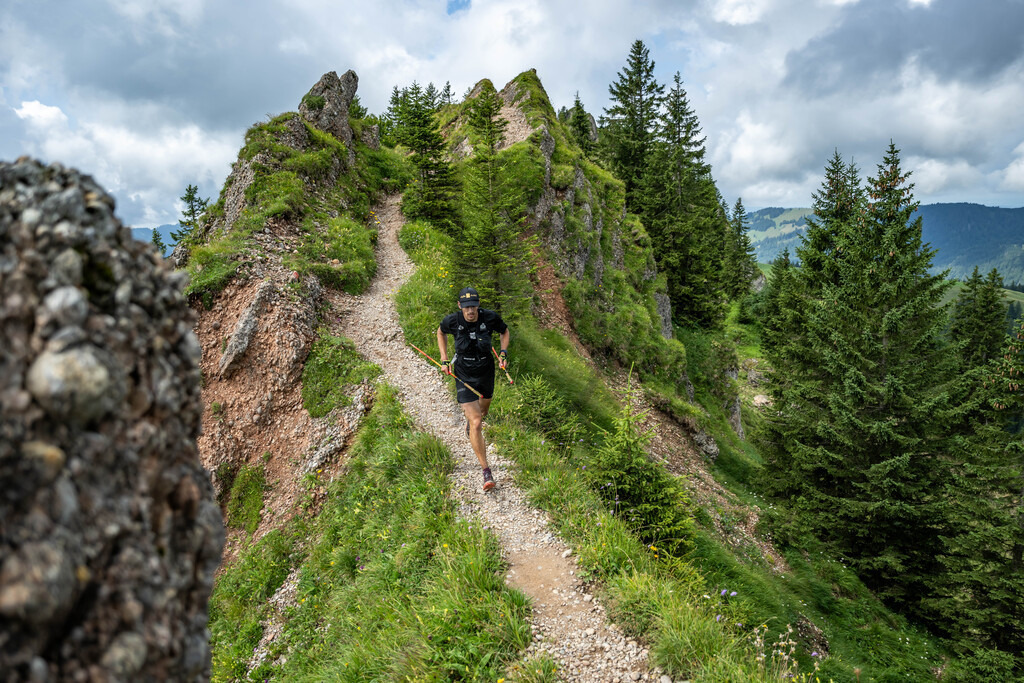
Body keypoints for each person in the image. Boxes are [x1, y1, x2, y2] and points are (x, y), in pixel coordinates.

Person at [437, 286, 509, 491]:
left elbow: (504, 331)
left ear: (478, 305)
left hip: (486, 372)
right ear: (460, 306)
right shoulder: (452, 321)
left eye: (474, 307)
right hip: (463, 374)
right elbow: (440, 332)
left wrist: (503, 353)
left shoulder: (489, 318)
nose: (470, 311)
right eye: (466, 307)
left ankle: (472, 426)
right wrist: (444, 359)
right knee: (476, 422)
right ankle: (486, 471)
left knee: (483, 411)